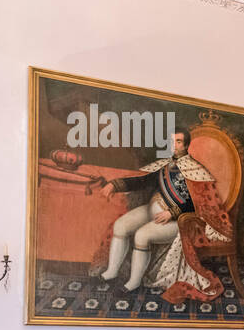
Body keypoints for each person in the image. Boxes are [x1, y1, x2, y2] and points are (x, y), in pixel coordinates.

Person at [92, 127, 233, 301]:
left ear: (186, 145)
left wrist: (172, 212)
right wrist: (115, 185)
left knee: (141, 236)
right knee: (120, 226)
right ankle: (111, 272)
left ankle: (134, 283)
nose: (174, 145)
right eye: (172, 141)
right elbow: (141, 181)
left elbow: (199, 206)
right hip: (152, 210)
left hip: (180, 220)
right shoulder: (164, 165)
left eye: (179, 142)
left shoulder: (196, 171)